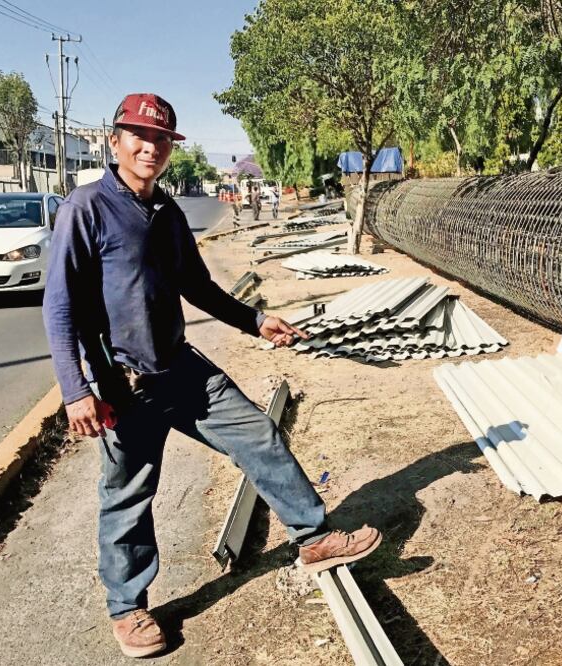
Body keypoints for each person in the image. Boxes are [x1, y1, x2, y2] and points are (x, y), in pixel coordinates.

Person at [42, 93, 381, 659]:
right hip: (121, 384)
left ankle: (314, 538)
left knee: (259, 436)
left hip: (181, 369)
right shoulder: (86, 208)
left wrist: (256, 322)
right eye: (139, 137)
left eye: (162, 141)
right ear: (115, 141)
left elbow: (197, 287)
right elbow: (58, 307)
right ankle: (128, 610)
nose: (150, 149)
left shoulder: (167, 212)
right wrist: (76, 390)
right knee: (127, 496)